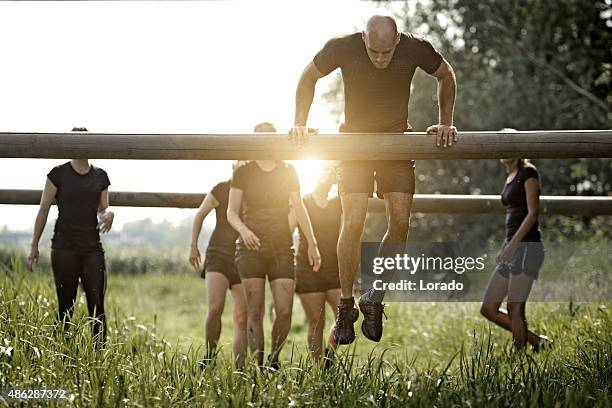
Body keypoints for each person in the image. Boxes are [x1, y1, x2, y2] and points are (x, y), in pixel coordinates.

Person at [290, 15, 458, 345]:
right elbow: (309, 76)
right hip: (354, 144)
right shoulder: (343, 46)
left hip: (396, 143)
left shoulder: (415, 48)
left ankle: (374, 297)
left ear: (397, 40)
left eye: (386, 53)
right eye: (373, 52)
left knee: (400, 222)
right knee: (352, 221)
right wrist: (299, 122)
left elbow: (445, 75)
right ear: (364, 39)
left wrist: (445, 122)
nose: (380, 60)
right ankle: (346, 305)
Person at [227, 122, 321, 369]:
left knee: (285, 312)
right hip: (250, 249)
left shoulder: (288, 170)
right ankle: (258, 368)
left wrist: (312, 243)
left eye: (268, 139)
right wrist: (244, 231)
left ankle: (273, 359)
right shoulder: (243, 171)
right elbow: (231, 212)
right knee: (254, 313)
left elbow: (299, 209)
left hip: (282, 247)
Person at [27, 127, 114, 346]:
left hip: (92, 248)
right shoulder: (58, 174)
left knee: (98, 305)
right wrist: (34, 245)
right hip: (64, 247)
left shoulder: (100, 176)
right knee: (66, 307)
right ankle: (64, 358)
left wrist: (109, 214)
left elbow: (104, 209)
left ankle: (99, 360)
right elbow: (44, 209)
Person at [480, 155, 549, 350]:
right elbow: (514, 217)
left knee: (515, 307)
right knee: (488, 308)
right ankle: (537, 341)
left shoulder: (528, 172)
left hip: (527, 246)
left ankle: (519, 360)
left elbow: (533, 212)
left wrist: (513, 245)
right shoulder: (510, 175)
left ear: (518, 150)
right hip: (512, 246)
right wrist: (505, 246)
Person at [189, 162, 248, 368]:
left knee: (242, 317)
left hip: (244, 257)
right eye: (240, 162)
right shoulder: (222, 188)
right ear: (234, 165)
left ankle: (240, 369)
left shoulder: (254, 191)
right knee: (215, 309)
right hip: (218, 256)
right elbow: (199, 215)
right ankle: (209, 357)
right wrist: (193, 246)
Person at [289, 165, 341, 361]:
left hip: (335, 269)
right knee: (316, 323)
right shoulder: (303, 201)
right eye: (327, 169)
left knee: (344, 320)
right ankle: (318, 368)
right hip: (308, 269)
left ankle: (329, 356)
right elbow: (287, 232)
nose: (329, 173)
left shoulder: (339, 203)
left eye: (334, 172)